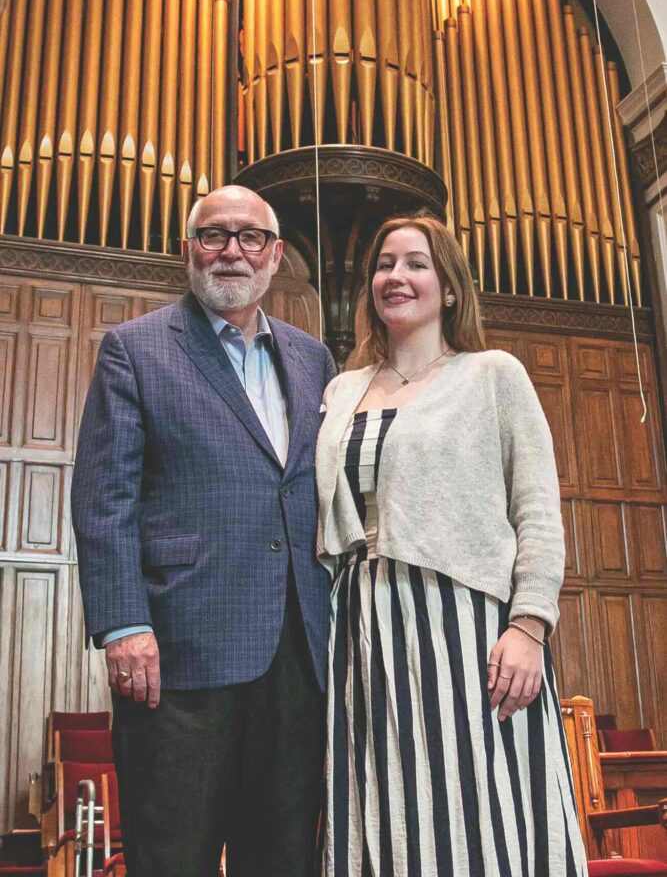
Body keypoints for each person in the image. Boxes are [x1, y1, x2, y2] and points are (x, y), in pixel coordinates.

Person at [71, 186, 336, 877]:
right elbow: (105, 501)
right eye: (213, 235)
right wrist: (124, 624)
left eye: (250, 237)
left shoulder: (314, 361)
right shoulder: (135, 349)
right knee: (174, 856)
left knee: (281, 857)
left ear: (275, 256)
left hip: (297, 653)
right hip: (179, 655)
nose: (231, 251)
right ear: (187, 250)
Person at [316, 213, 587, 876]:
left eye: (414, 263)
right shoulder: (340, 389)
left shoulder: (491, 375)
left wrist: (528, 625)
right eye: (383, 264)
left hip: (464, 626)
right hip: (360, 624)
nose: (394, 276)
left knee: (475, 810)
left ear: (450, 287)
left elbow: (536, 509)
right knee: (379, 804)